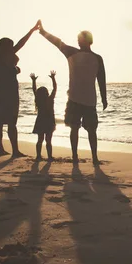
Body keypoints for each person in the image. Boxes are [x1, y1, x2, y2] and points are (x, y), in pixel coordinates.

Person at [38, 23, 107, 166]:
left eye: (80, 39)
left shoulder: (97, 58)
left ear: (88, 41)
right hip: (74, 98)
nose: (78, 41)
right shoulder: (71, 52)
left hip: (89, 100)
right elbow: (58, 42)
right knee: (74, 128)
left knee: (92, 130)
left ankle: (94, 157)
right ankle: (75, 156)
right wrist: (43, 32)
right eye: (77, 39)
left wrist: (104, 98)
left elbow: (101, 78)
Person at [0, 20, 41, 157]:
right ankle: (14, 151)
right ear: (6, 48)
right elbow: (21, 43)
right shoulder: (4, 57)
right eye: (11, 46)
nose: (13, 49)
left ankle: (1, 149)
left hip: (3, 93)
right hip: (9, 93)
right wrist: (32, 30)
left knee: (0, 121)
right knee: (9, 122)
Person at [30, 70, 57, 161]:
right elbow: (55, 88)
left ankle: (38, 156)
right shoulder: (50, 100)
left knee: (40, 140)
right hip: (49, 122)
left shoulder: (38, 100)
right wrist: (53, 78)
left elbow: (34, 90)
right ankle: (49, 156)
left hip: (40, 121)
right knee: (48, 140)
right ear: (47, 93)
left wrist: (33, 81)